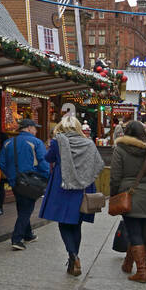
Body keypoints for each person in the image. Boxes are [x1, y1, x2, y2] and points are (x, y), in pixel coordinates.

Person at [40, 115, 105, 276]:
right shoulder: (89, 143)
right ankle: (74, 257)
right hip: (83, 188)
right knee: (77, 223)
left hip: (63, 186)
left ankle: (73, 256)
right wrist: (85, 175)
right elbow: (99, 164)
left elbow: (48, 158)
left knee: (63, 222)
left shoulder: (57, 142)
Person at [109, 122, 146, 282]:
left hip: (129, 193)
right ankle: (127, 264)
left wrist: (114, 195)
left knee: (134, 232)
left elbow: (115, 176)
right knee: (140, 231)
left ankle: (142, 272)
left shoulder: (120, 149)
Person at [0, 118, 49, 250]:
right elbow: (44, 163)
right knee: (26, 210)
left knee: (22, 207)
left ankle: (28, 235)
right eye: (34, 128)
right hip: (31, 181)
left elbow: (2, 163)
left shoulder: (8, 142)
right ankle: (17, 238)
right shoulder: (36, 142)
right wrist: (46, 178)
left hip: (15, 181)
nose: (36, 130)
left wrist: (11, 176)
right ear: (28, 128)